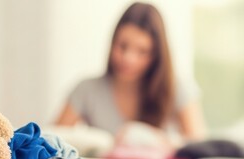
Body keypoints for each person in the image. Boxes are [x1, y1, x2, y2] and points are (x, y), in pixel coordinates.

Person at [56, 2, 205, 141]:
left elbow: (198, 146)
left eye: (142, 51)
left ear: (156, 56)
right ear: (113, 42)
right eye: (122, 46)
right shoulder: (86, 90)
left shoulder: (175, 87)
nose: (128, 59)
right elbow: (51, 143)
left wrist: (157, 141)